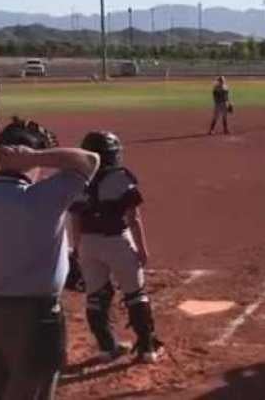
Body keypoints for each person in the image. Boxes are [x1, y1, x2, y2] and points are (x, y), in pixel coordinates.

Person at [0, 117, 99, 400]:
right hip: (33, 317)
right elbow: (90, 160)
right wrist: (34, 157)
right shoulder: (46, 197)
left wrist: (17, 158)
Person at [70, 131, 163, 364]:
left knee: (96, 296)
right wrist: (142, 249)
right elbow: (134, 217)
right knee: (135, 293)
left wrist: (78, 248)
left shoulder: (77, 179)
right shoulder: (121, 177)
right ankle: (147, 348)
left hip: (89, 244)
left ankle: (106, 348)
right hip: (117, 241)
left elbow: (76, 220)